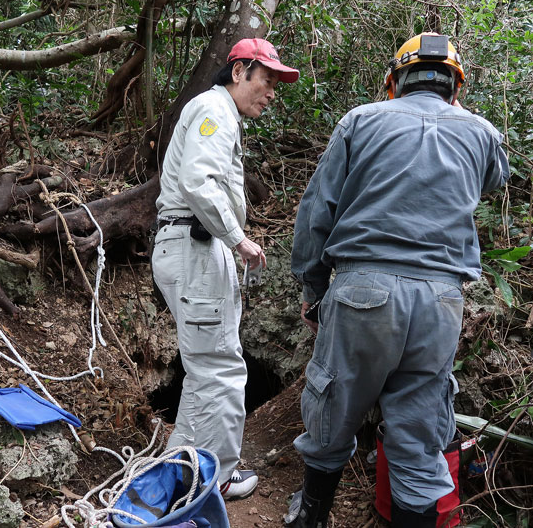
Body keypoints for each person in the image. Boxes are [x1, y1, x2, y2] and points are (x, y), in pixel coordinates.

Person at [287, 33, 509, 527]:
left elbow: (316, 213)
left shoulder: (361, 121)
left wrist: (314, 290)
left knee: (332, 414)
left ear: (394, 82)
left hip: (363, 291)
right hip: (440, 301)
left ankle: (312, 517)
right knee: (419, 436)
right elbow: (493, 179)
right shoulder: (483, 133)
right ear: (456, 86)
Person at [152, 37, 299, 500]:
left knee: (208, 368)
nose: (272, 91)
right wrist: (239, 239)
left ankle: (184, 470)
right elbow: (198, 181)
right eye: (267, 79)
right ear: (239, 72)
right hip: (194, 247)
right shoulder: (215, 110)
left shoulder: (219, 113)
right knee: (219, 368)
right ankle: (213, 478)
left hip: (196, 246)